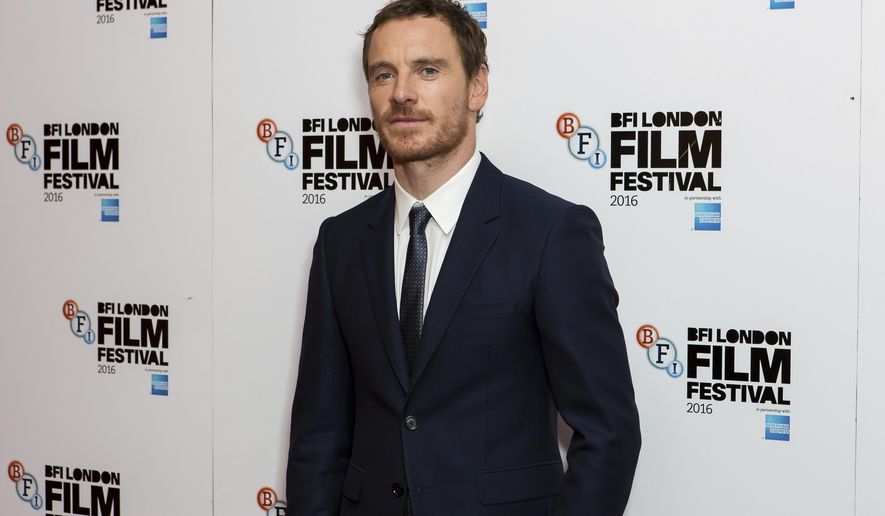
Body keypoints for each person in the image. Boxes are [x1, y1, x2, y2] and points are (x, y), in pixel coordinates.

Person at [285, 1, 641, 515]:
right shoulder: (340, 241)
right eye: (384, 74)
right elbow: (318, 434)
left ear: (478, 86)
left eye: (428, 70)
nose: (402, 93)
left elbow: (608, 433)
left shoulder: (550, 233)